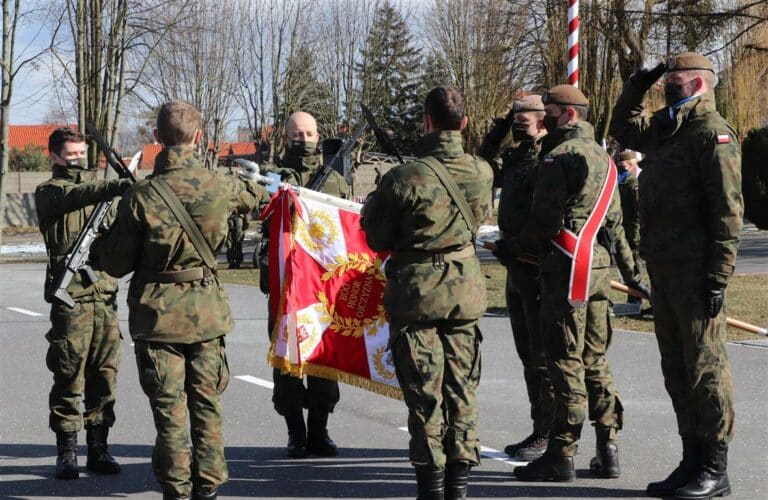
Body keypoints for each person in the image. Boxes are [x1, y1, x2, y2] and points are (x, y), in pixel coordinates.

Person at [96, 100, 269, 500]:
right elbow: (260, 198)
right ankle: (207, 490)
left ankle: (176, 491)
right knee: (207, 406)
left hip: (157, 319)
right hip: (207, 315)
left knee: (169, 413)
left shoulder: (141, 196)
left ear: (156, 139)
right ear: (200, 137)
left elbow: (115, 264)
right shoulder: (220, 185)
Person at [610, 52, 742, 499]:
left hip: (696, 271)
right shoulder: (667, 130)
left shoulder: (711, 132)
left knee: (706, 371)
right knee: (676, 369)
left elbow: (727, 213)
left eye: (675, 82)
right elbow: (623, 129)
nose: (667, 88)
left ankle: (714, 466)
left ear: (700, 85)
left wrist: (718, 277)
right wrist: (637, 85)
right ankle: (690, 458)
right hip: (663, 269)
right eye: (664, 83)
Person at [504, 85, 647, 482]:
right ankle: (608, 447)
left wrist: (510, 247)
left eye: (548, 111)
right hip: (598, 269)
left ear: (567, 115)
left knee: (564, 361)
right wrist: (634, 277)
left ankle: (561, 454)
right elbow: (615, 227)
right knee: (595, 361)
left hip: (566, 270)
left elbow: (545, 223)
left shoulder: (557, 157)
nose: (544, 117)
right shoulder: (604, 158)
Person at [361, 87, 493, 500]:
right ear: (465, 124)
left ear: (427, 122)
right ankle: (459, 487)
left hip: (417, 295)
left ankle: (431, 487)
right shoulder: (482, 170)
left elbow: (377, 236)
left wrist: (374, 204)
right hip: (465, 292)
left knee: (424, 395)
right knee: (462, 390)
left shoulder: (403, 178)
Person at [35, 127, 130, 480]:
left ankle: (99, 447)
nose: (78, 160)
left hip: (104, 295)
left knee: (104, 376)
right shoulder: (50, 192)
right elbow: (77, 194)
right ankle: (67, 452)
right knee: (68, 375)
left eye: (81, 155)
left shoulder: (107, 196)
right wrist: (116, 186)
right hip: (70, 299)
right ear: (55, 156)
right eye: (71, 155)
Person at [261, 111, 349, 459]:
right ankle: (295, 433)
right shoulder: (273, 177)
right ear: (285, 138)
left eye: (310, 133)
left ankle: (320, 432)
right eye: (297, 135)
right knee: (287, 361)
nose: (305, 140)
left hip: (323, 286)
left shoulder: (334, 180)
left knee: (323, 360)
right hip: (283, 285)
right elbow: (261, 215)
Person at [477, 94, 555, 461]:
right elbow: (480, 164)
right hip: (515, 265)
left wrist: (518, 246)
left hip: (540, 266)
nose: (520, 123)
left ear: (544, 119)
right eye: (516, 117)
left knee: (543, 355)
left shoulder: (549, 155)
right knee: (528, 355)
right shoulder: (516, 156)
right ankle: (541, 427)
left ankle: (549, 433)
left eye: (526, 117)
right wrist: (500, 128)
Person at [616, 150, 642, 304]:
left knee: (634, 264)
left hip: (633, 231)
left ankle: (636, 298)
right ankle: (633, 298)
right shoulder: (623, 180)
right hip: (625, 229)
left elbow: (639, 212)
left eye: (623, 165)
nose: (620, 168)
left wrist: (637, 233)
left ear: (631, 164)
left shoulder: (634, 183)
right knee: (629, 263)